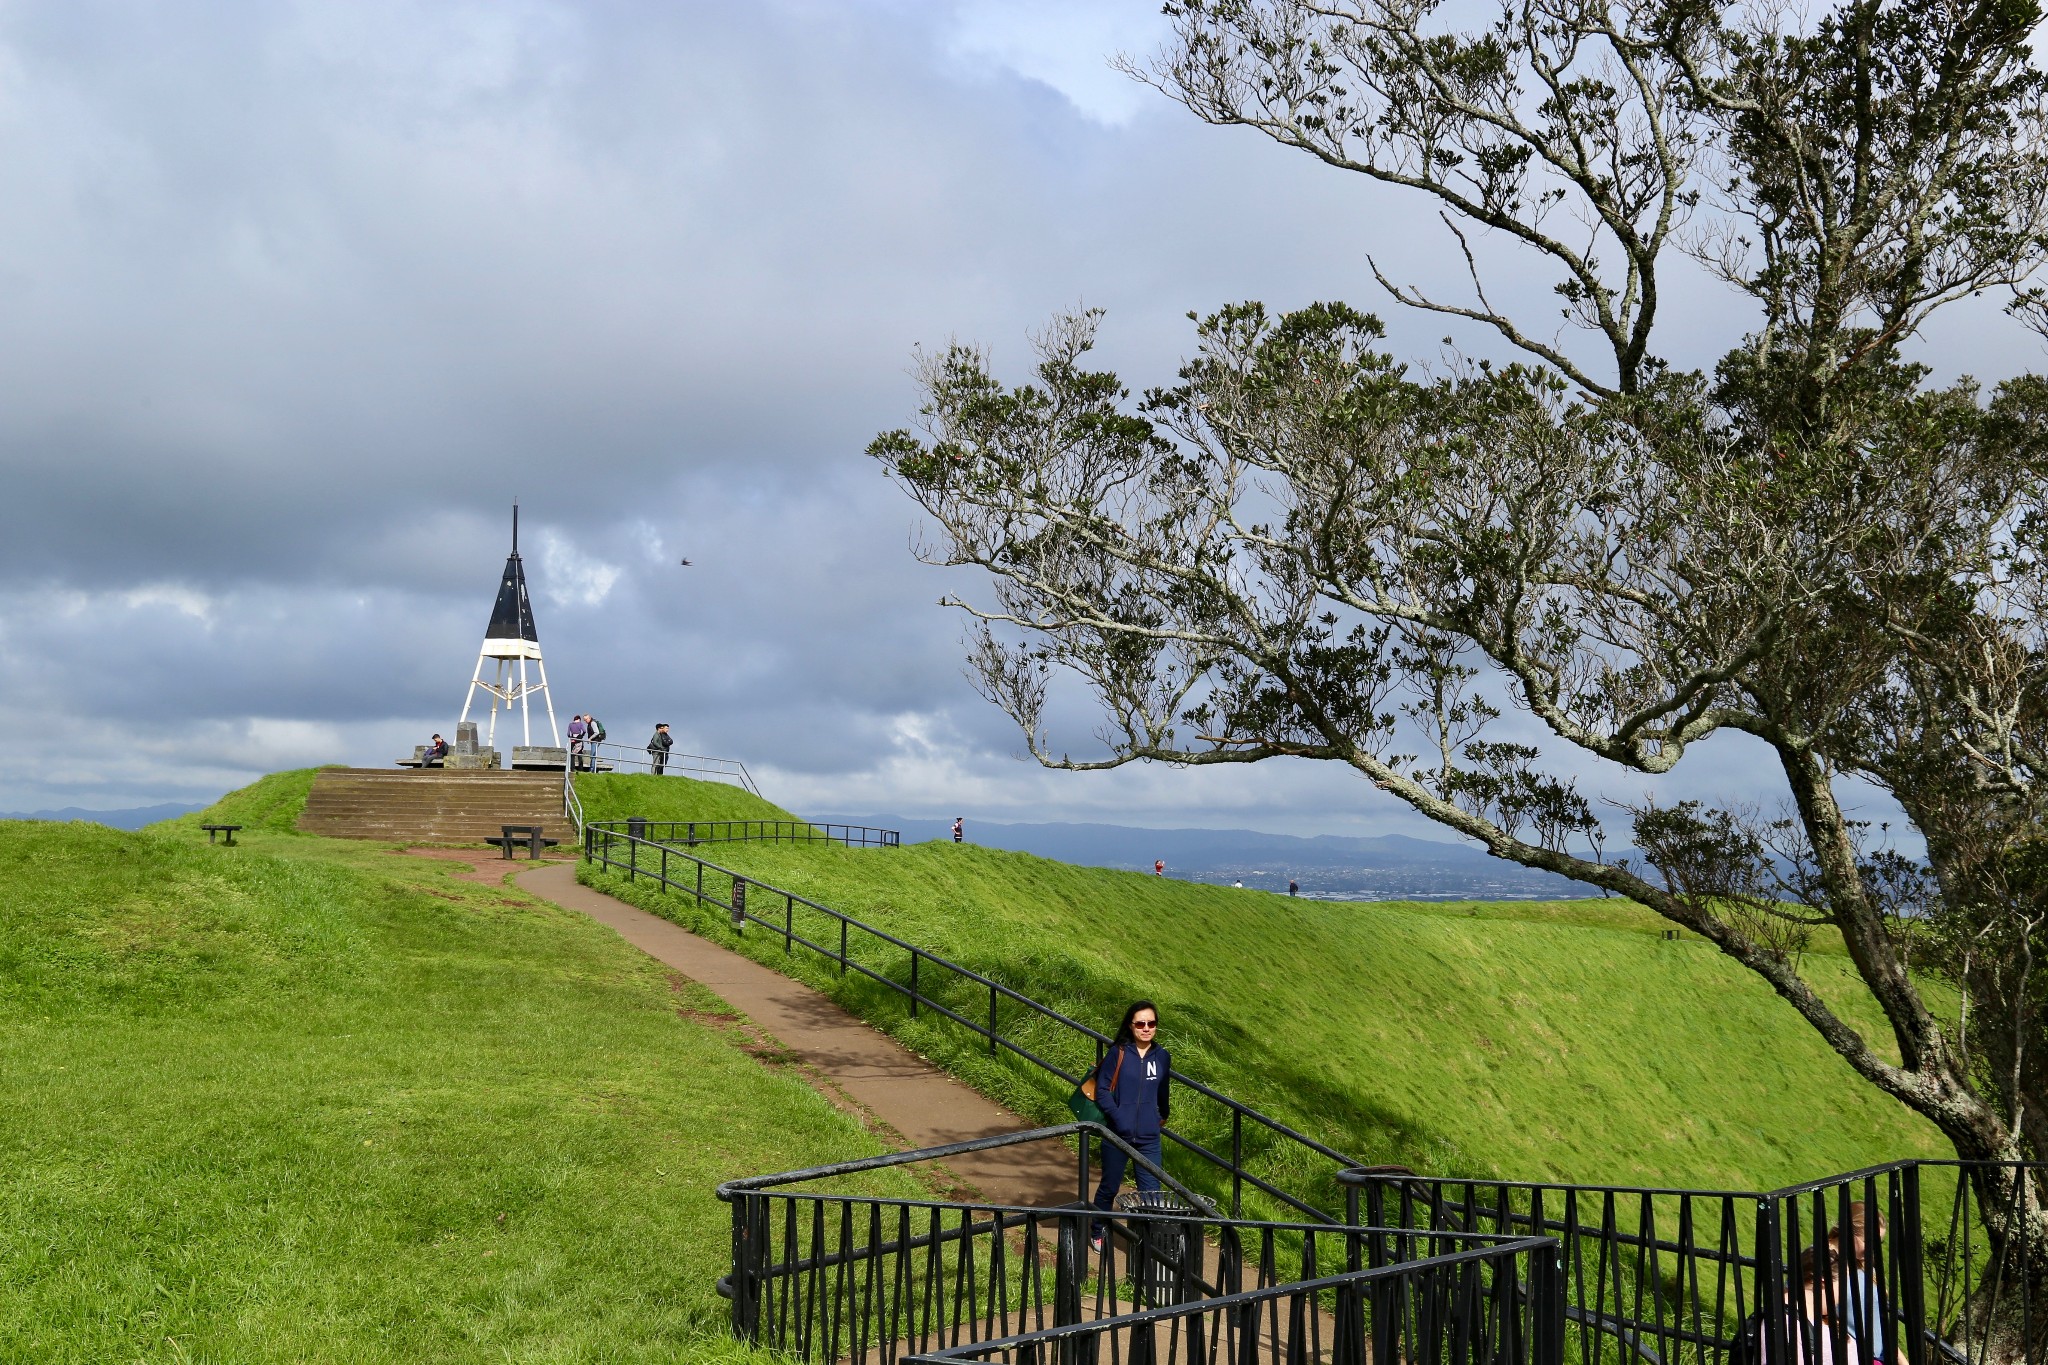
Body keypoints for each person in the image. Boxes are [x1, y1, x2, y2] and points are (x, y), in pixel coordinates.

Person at [1090, 1000, 1171, 1246]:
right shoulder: (1119, 1052)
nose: (1146, 1028)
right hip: (1117, 1135)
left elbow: (1163, 1092)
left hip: (1149, 1138)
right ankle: (1097, 1231)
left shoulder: (1163, 1057)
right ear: (1131, 1025)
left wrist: (1161, 1117)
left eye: (1151, 1023)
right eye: (1141, 1023)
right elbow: (1102, 1090)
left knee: (1151, 1195)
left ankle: (1149, 1244)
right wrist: (1120, 1118)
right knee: (1109, 1187)